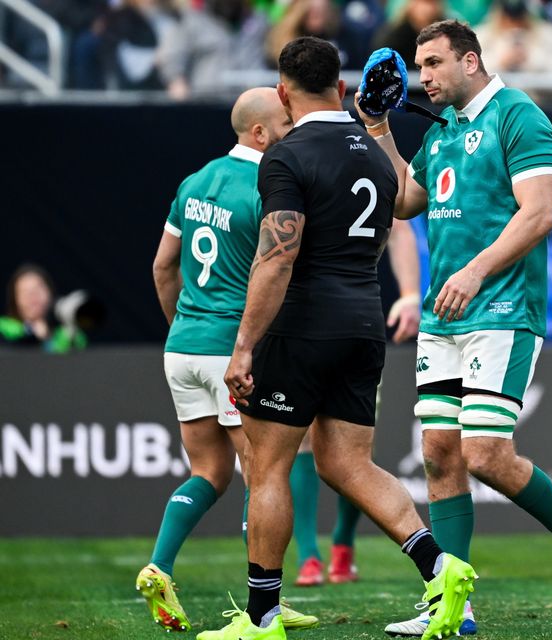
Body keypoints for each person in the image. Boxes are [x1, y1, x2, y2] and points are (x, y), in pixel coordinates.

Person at [213, 36, 476, 640]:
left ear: (283, 93)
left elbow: (277, 258)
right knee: (346, 463)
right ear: (340, 86)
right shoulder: (376, 156)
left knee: (268, 467)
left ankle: (261, 617)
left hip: (303, 324)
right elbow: (386, 232)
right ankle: (441, 565)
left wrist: (246, 345)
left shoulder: (286, 154)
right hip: (363, 320)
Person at [356, 20, 552, 636]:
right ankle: (453, 602)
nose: (425, 78)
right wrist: (380, 132)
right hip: (447, 316)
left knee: (487, 454)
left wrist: (475, 268)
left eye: (435, 64)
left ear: (471, 61)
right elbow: (404, 202)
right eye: (420, 66)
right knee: (440, 454)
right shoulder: (443, 129)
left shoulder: (518, 116)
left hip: (503, 307)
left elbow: (542, 212)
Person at [138, 87, 317, 634]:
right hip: (232, 352)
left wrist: (181, 330)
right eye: (286, 124)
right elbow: (278, 268)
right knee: (261, 475)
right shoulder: (268, 186)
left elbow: (162, 266)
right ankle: (263, 604)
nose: (294, 132)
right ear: (259, 133)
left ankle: (160, 565)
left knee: (209, 472)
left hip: (183, 347)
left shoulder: (195, 181)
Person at [290, 217, 423, 587]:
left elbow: (399, 226)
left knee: (350, 447)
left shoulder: (350, 163)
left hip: (337, 320)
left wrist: (411, 294)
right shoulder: (309, 165)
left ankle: (340, 547)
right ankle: (309, 556)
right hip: (325, 320)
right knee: (309, 442)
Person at [0, 264, 86, 353]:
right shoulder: (4, 328)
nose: (33, 296)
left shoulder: (65, 333)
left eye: (38, 289)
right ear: (15, 299)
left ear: (50, 292)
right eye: (25, 292)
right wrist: (32, 336)